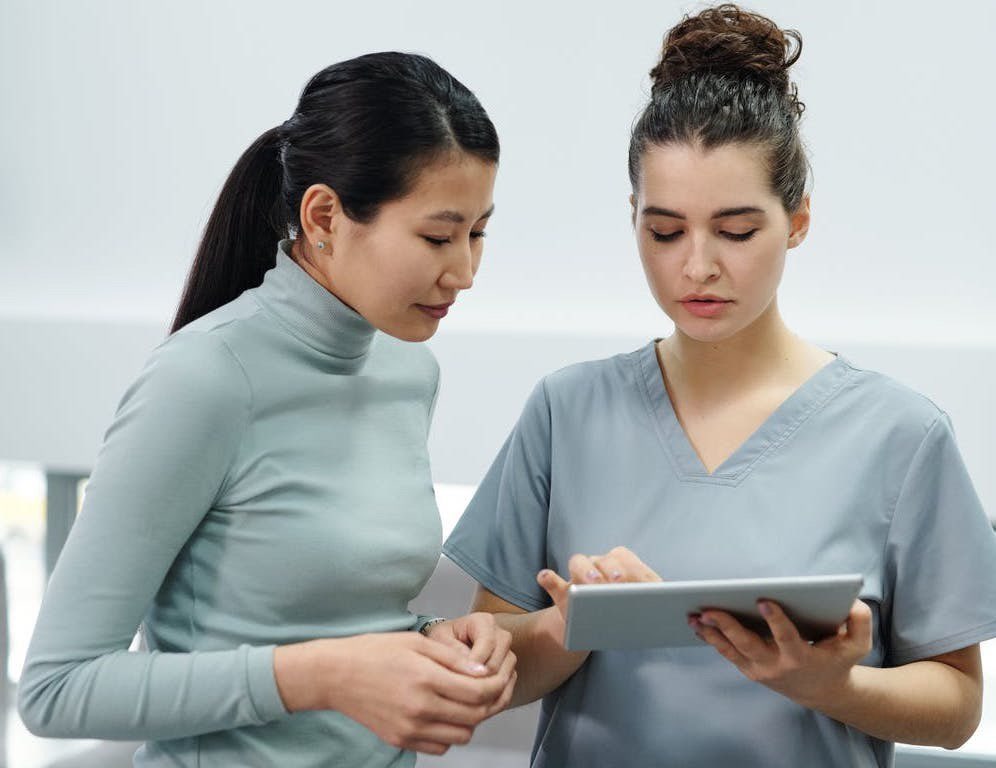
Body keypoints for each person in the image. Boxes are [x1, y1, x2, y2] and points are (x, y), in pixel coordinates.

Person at [442, 6, 996, 767]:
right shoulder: (565, 413)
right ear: (633, 216)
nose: (696, 266)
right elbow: (492, 666)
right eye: (665, 231)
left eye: (736, 230)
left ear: (797, 220)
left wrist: (832, 686)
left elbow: (959, 706)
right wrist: (571, 628)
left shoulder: (900, 436)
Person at [18, 52, 516, 767]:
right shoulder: (204, 381)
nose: (465, 271)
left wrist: (433, 637)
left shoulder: (410, 369)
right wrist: (321, 676)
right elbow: (57, 689)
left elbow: (348, 612)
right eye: (438, 237)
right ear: (323, 217)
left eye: (479, 233)